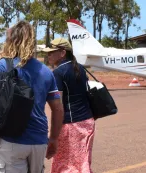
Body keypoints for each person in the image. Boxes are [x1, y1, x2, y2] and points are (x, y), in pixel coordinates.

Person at [0, 21, 65, 173]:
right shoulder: (46, 71)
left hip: (11, 140)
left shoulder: (3, 65)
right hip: (38, 141)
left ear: (11, 41)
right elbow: (58, 108)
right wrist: (54, 139)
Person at [42, 38, 96, 173]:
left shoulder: (58, 73)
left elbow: (58, 106)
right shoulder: (80, 68)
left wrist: (53, 133)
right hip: (87, 121)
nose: (48, 55)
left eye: (52, 52)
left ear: (62, 53)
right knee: (82, 162)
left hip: (71, 126)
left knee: (65, 165)